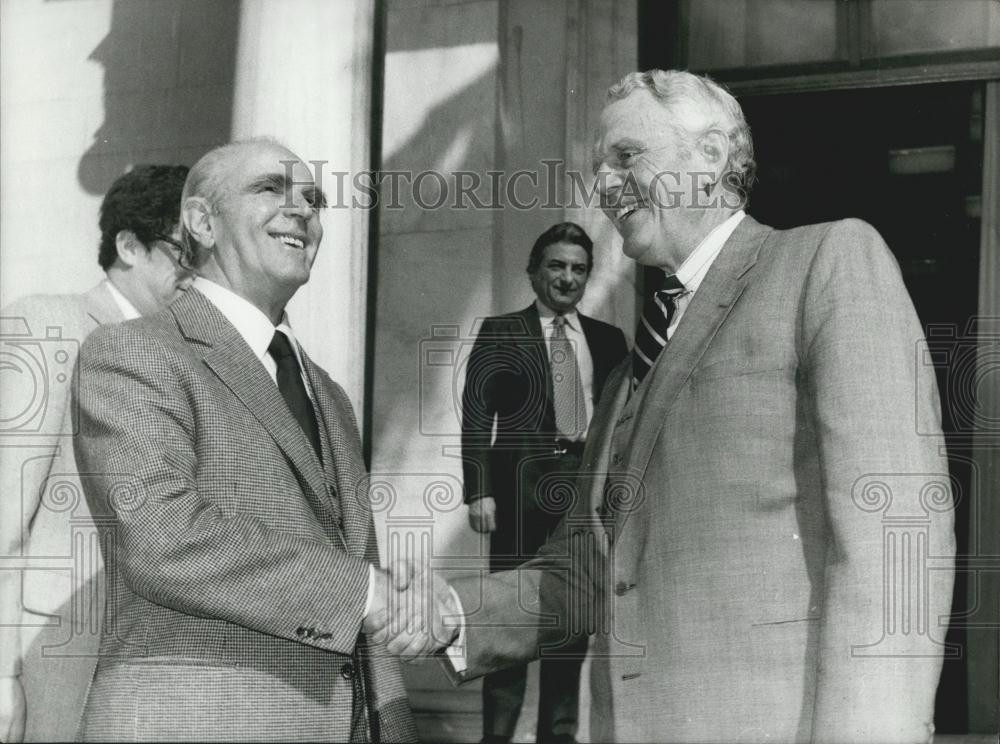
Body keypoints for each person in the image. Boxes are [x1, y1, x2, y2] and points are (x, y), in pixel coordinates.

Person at [391, 69, 957, 743]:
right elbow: (584, 572)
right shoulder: (631, 368)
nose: (603, 183)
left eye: (626, 156)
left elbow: (896, 532)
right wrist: (450, 612)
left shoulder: (825, 263)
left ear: (712, 156)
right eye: (600, 165)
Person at [69, 139, 430, 742]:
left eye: (314, 198)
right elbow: (162, 540)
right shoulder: (131, 351)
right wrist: (370, 595)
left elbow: (357, 578)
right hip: (191, 721)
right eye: (270, 189)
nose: (303, 212)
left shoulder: (329, 394)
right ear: (202, 222)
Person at [0, 165, 193, 743]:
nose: (200, 274)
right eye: (185, 253)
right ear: (129, 246)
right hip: (57, 650)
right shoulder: (50, 324)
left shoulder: (191, 355)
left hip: (159, 663)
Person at [461, 222, 627, 744]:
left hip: (579, 504)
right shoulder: (501, 332)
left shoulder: (607, 339)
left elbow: (616, 422)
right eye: (556, 266)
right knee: (507, 623)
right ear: (535, 272)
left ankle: (558, 737)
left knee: (568, 627)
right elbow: (475, 416)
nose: (567, 278)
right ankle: (498, 738)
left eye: (579, 269)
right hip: (515, 499)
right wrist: (477, 490)